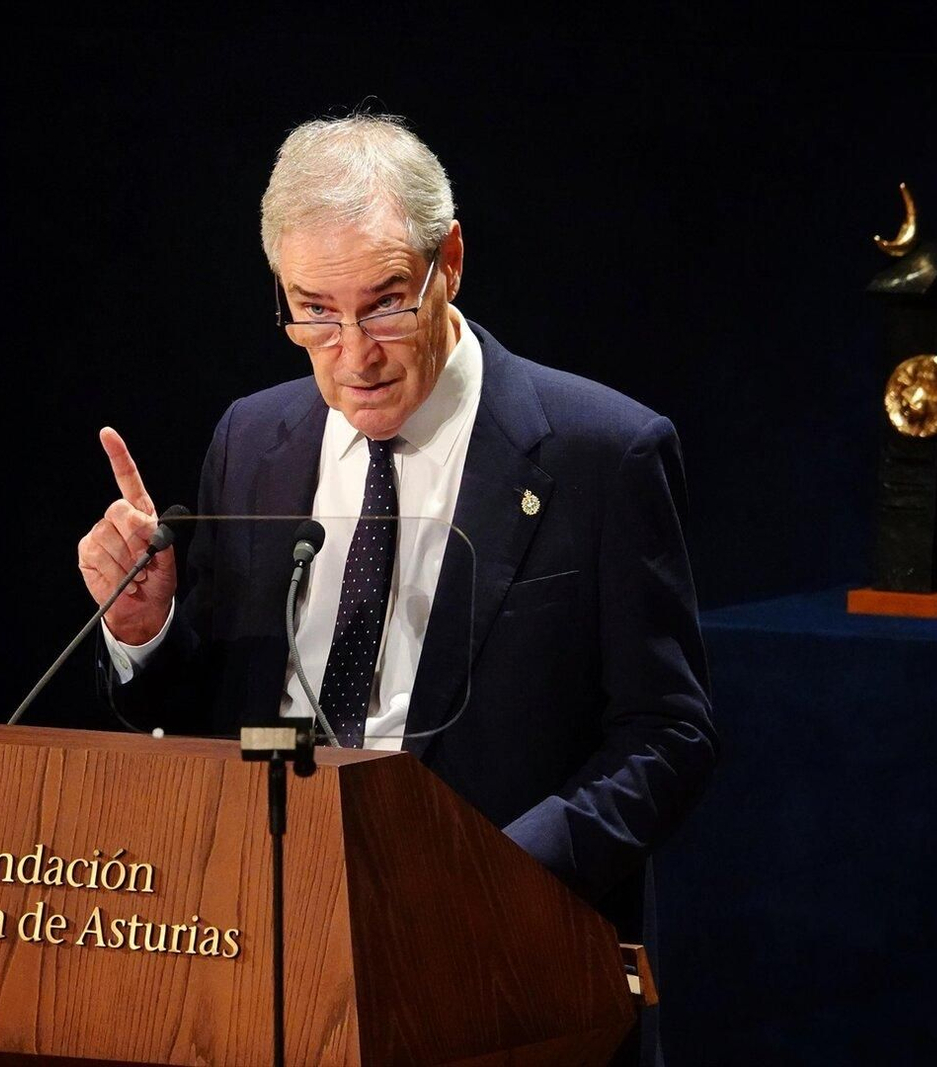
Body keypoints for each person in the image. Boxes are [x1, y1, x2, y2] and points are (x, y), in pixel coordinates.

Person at [75, 112, 716, 1065]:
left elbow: (670, 732)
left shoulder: (600, 452)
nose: (353, 353)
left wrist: (497, 874)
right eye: (313, 312)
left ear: (448, 259)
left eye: (383, 304)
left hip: (500, 972)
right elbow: (210, 708)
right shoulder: (251, 442)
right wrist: (145, 629)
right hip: (268, 961)